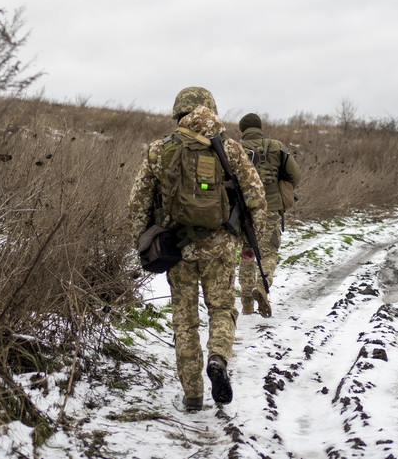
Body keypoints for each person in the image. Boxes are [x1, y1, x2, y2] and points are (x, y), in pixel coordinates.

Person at [128, 87, 267, 411]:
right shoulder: (230, 149)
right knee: (221, 309)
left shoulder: (158, 150)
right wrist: (250, 243)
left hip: (176, 249)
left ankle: (192, 394)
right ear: (212, 110)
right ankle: (218, 357)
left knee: (184, 321)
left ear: (179, 113)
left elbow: (136, 205)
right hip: (219, 248)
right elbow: (256, 198)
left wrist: (143, 246)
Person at [237, 113, 301, 318]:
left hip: (242, 209)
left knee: (246, 253)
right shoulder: (276, 146)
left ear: (242, 130)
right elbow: (296, 175)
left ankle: (246, 303)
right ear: (260, 128)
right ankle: (261, 285)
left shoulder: (234, 147)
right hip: (271, 207)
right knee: (269, 251)